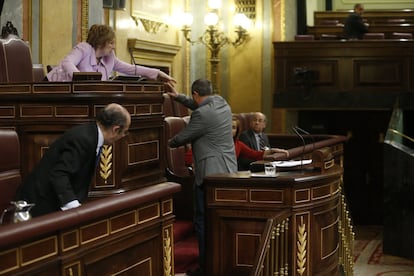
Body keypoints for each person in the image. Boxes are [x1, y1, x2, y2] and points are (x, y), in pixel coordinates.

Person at [166, 79, 237, 276]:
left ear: (196, 93)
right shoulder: (222, 103)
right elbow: (198, 105)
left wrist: (164, 142)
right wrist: (178, 97)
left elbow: (183, 137)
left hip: (208, 174)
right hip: (228, 168)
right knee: (218, 220)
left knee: (202, 221)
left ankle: (206, 268)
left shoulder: (201, 114)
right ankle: (219, 263)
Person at [15, 103, 131, 217]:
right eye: (125, 132)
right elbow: (59, 174)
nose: (123, 136)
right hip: (40, 204)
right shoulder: (84, 139)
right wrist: (75, 209)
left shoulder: (92, 134)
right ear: (116, 129)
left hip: (52, 202)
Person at [46, 24, 176, 84]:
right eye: (111, 43)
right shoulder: (84, 48)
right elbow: (67, 62)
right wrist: (81, 78)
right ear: (100, 42)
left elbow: (131, 69)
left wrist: (157, 73)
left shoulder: (109, 58)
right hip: (51, 90)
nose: (113, 47)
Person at [185, 116, 289, 166]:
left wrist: (273, 151)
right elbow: (189, 157)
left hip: (228, 176)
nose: (230, 130)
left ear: (237, 131)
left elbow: (255, 154)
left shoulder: (238, 145)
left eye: (233, 127)